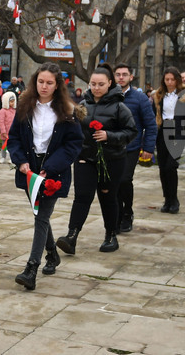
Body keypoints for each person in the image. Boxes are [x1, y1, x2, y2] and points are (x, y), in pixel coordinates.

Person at [8, 63, 84, 290]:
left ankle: (31, 268)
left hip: (53, 171)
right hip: (29, 169)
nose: (44, 86)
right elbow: (14, 138)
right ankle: (52, 253)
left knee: (41, 217)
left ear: (57, 85)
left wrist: (50, 167)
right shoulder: (25, 106)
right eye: (41, 81)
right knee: (39, 213)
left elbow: (73, 144)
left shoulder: (67, 111)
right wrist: (20, 161)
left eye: (49, 83)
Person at [57, 65, 137, 255]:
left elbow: (131, 131)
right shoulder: (83, 105)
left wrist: (109, 136)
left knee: (108, 197)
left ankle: (111, 236)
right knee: (82, 197)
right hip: (85, 158)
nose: (96, 88)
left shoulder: (120, 107)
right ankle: (71, 236)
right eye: (93, 84)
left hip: (112, 160)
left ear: (109, 83)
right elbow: (73, 130)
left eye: (101, 84)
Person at [113, 64, 156, 233]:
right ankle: (116, 216)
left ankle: (127, 212)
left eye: (124, 74)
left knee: (124, 180)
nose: (121, 77)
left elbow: (150, 124)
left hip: (131, 146)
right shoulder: (109, 96)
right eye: (118, 74)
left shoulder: (140, 98)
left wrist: (149, 148)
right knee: (113, 183)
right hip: (111, 146)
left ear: (131, 77)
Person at [152, 67, 185, 214]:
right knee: (162, 167)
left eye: (172, 79)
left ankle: (174, 199)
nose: (169, 82)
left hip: (178, 131)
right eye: (167, 79)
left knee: (171, 166)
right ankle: (167, 199)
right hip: (163, 130)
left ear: (177, 80)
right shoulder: (159, 95)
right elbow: (154, 114)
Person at [0, 91, 17, 163]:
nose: (12, 103)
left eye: (13, 101)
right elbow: (1, 122)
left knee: (13, 145)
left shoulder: (14, 111)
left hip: (13, 132)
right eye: (11, 101)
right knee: (4, 145)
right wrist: (3, 132)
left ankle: (12, 158)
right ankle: (3, 157)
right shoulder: (2, 111)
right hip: (5, 132)